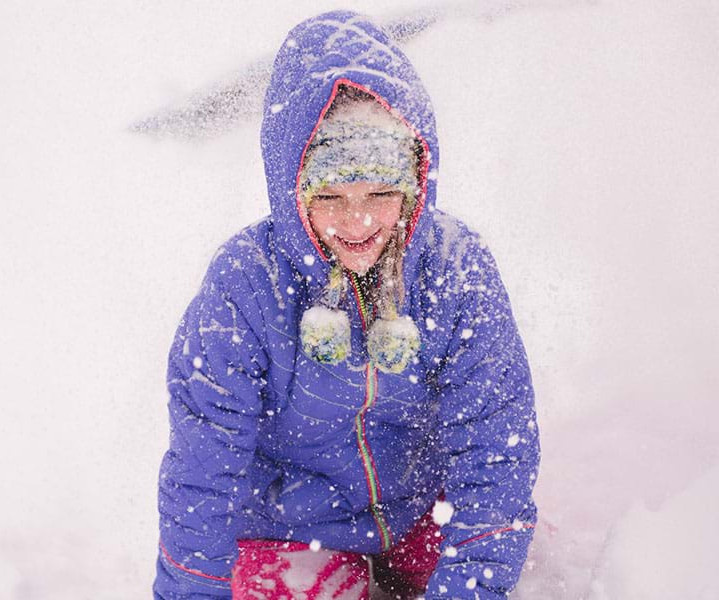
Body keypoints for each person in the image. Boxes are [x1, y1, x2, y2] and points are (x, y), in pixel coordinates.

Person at [153, 10, 540, 600]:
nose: (357, 222)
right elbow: (202, 474)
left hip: (419, 516)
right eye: (330, 196)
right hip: (292, 531)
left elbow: (495, 457)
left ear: (414, 187)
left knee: (492, 558)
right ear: (292, 190)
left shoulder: (457, 271)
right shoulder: (247, 285)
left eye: (381, 193)